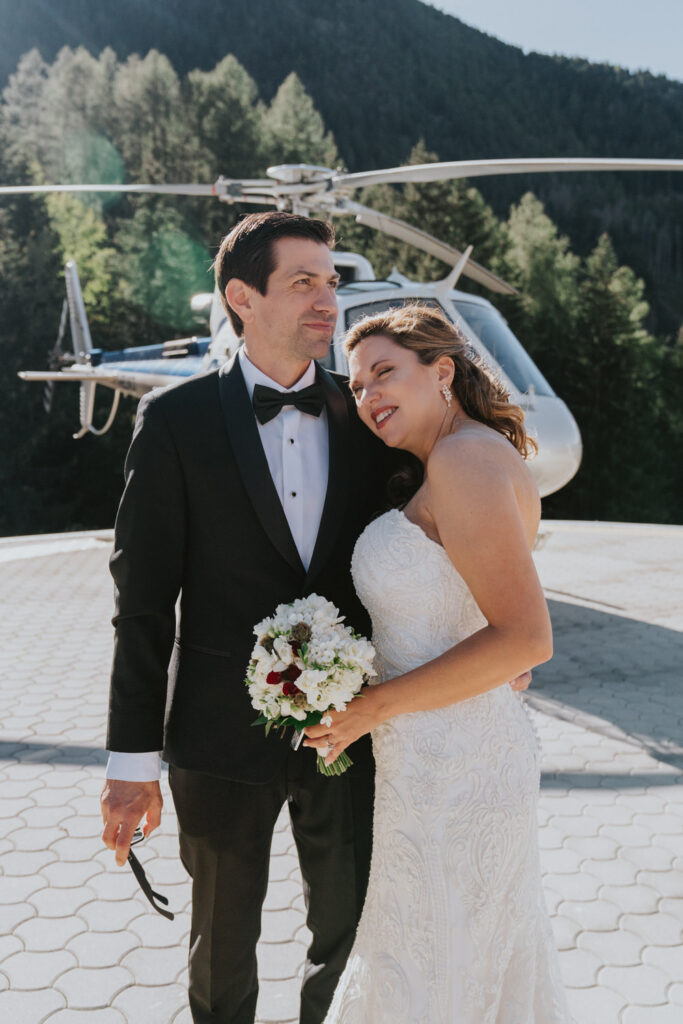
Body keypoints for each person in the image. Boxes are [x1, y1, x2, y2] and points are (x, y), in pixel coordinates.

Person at [99, 212, 403, 1024]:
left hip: (350, 731)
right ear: (242, 296)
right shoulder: (173, 422)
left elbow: (434, 536)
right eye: (302, 282)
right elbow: (141, 601)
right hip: (214, 735)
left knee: (346, 932)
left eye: (331, 282)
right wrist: (132, 760)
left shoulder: (370, 417)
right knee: (220, 946)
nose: (326, 301)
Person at [304, 304, 571, 1023]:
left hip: (457, 771)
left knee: (443, 966)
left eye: (383, 373)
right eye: (357, 387)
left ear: (442, 371)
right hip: (431, 761)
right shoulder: (459, 460)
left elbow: (524, 638)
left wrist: (369, 709)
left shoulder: (464, 459)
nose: (367, 398)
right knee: (441, 960)